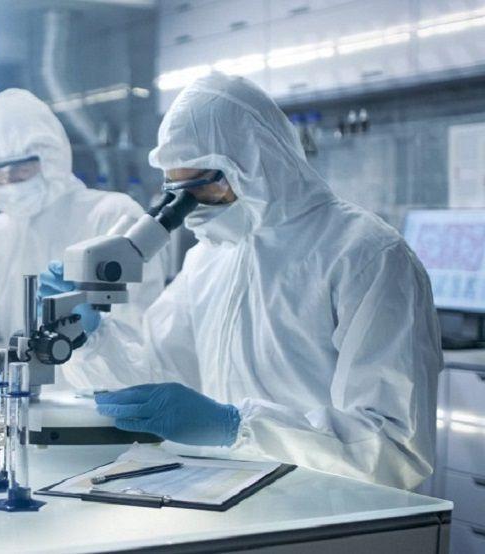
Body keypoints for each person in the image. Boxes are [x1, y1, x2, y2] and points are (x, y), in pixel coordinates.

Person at [42, 73, 441, 490]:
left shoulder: (365, 254)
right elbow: (152, 387)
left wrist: (237, 427)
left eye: (205, 186)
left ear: (259, 161)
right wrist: (89, 338)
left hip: (333, 507)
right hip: (226, 496)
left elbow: (393, 448)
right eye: (179, 191)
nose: (193, 208)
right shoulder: (207, 260)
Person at [0, 88, 166, 393]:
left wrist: (94, 332)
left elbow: (140, 339)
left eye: (20, 169)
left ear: (52, 156)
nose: (9, 182)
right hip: (21, 405)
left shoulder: (113, 216)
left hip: (103, 404)